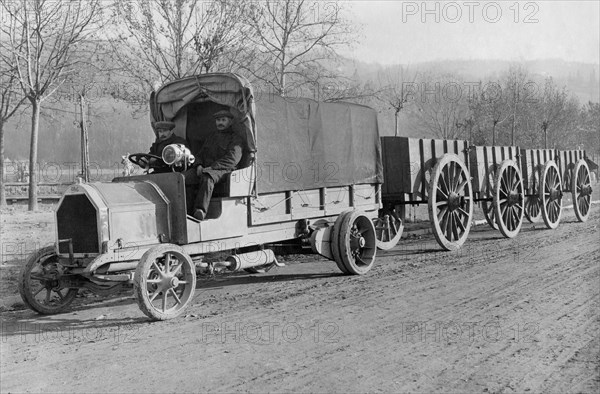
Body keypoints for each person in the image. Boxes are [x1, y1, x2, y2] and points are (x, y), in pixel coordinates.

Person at [184, 109, 243, 220]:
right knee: (184, 178)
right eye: (218, 120)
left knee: (207, 177)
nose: (220, 123)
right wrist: (199, 165)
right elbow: (200, 154)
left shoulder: (235, 138)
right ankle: (186, 211)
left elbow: (232, 159)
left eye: (223, 120)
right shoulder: (211, 137)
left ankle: (200, 210)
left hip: (224, 170)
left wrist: (212, 167)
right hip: (206, 168)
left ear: (230, 122)